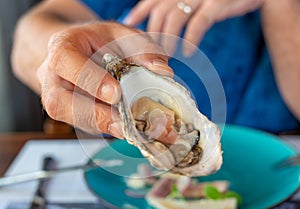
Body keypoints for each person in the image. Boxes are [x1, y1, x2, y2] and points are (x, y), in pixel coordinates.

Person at [11, 0, 300, 138]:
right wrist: (64, 50)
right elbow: (26, 41)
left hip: (280, 172)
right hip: (134, 169)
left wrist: (282, 5)